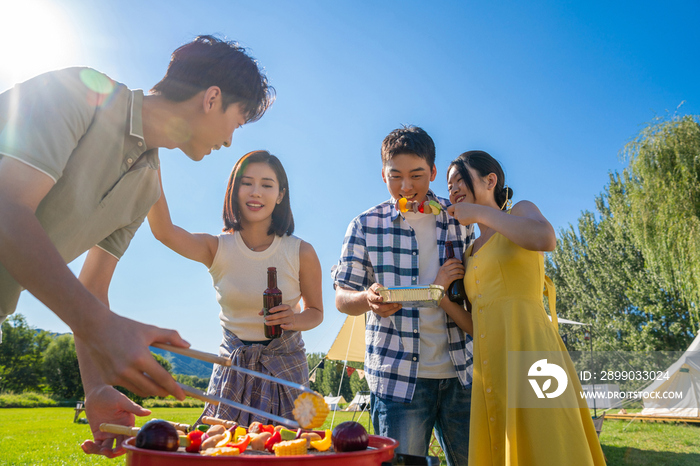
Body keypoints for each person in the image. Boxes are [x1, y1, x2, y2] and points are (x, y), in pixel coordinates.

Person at [0, 35, 274, 457]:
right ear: (212, 98)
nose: (230, 142)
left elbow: (93, 288)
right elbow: (7, 211)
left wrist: (97, 387)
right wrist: (101, 327)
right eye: (237, 122)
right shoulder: (76, 93)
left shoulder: (146, 186)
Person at [446, 150, 606, 465]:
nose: (452, 191)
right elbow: (478, 324)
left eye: (459, 182)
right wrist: (442, 300)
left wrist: (479, 214)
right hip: (490, 366)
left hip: (532, 351)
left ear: (490, 180)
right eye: (449, 187)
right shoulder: (469, 252)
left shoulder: (521, 210)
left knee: (549, 443)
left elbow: (545, 238)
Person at [148, 149, 323, 425]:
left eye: (267, 185)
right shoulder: (217, 247)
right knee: (225, 449)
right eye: (247, 183)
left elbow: (316, 312)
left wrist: (295, 318)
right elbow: (164, 232)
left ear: (280, 195)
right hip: (232, 368)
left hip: (286, 368)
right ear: (234, 189)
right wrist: (150, 162)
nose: (256, 192)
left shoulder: (301, 251)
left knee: (286, 452)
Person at [332, 126, 474, 465]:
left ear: (434, 173)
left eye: (417, 175)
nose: (406, 186)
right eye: (395, 176)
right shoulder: (365, 225)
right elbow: (341, 297)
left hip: (462, 376)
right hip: (398, 382)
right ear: (383, 174)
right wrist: (367, 300)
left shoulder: (460, 221)